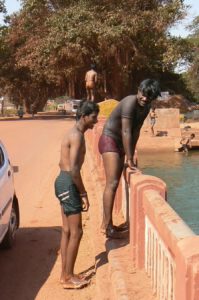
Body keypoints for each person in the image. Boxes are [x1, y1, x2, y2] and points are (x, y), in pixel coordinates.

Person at [98, 79, 161, 239]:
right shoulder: (129, 103)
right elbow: (126, 132)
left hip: (120, 144)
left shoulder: (146, 107)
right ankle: (106, 226)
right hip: (110, 139)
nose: (145, 99)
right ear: (138, 89)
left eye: (149, 96)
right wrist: (130, 160)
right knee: (111, 183)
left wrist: (131, 153)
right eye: (143, 94)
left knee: (116, 182)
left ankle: (109, 224)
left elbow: (136, 131)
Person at [54, 101, 99, 289]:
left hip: (62, 181)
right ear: (84, 117)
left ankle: (66, 274)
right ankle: (67, 277)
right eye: (93, 117)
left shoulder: (73, 133)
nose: (95, 121)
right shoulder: (77, 136)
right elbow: (73, 169)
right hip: (68, 182)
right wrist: (83, 192)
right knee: (77, 231)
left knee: (66, 231)